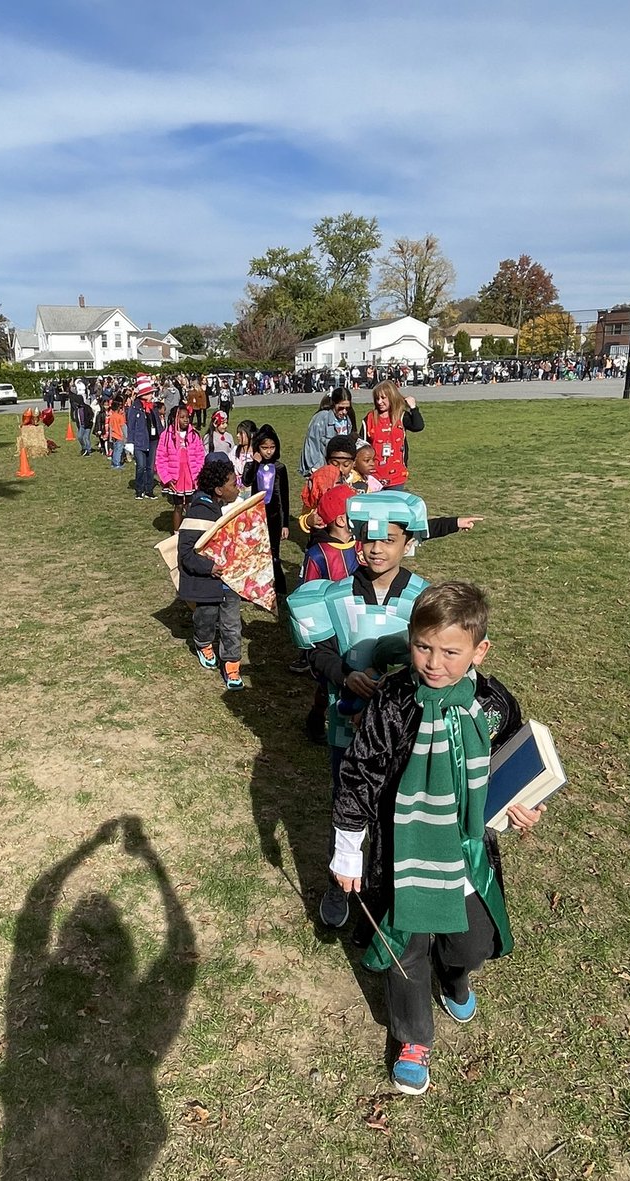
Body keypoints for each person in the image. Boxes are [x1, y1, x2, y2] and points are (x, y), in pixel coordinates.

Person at [330, 581, 545, 1096]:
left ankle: (455, 974)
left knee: (472, 941)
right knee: (409, 942)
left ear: (478, 651)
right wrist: (348, 847)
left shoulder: (491, 704)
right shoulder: (393, 702)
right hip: (403, 848)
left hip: (465, 849)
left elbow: (512, 758)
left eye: (451, 652)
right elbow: (358, 774)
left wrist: (524, 801)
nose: (434, 662)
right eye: (423, 647)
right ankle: (412, 1036)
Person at [178, 457, 245, 690]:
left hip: (229, 580)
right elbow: (185, 553)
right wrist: (209, 567)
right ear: (218, 490)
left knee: (232, 625)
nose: (237, 488)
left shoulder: (230, 507)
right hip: (207, 582)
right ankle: (203, 642)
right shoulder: (200, 512)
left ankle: (232, 664)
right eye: (233, 484)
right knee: (206, 618)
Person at [242, 424, 290, 597]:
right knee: (257, 550)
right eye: (264, 448)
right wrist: (255, 463)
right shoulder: (252, 465)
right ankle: (257, 586)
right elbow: (246, 481)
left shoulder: (280, 468)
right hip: (257, 515)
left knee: (274, 552)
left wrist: (285, 524)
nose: (268, 452)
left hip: (275, 515)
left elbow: (284, 497)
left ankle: (279, 587)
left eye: (272, 447)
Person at [359, 381, 425, 489]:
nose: (379, 402)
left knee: (394, 504)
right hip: (373, 477)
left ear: (391, 397)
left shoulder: (401, 416)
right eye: (377, 398)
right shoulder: (370, 418)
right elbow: (362, 445)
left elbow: (418, 426)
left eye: (383, 398)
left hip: (396, 476)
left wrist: (413, 407)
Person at [155, 405, 206, 533]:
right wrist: (166, 478)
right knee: (178, 506)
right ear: (174, 418)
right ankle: (177, 533)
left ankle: (190, 531)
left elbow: (200, 455)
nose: (186, 420)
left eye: (187, 417)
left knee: (190, 505)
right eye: (182, 417)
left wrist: (198, 473)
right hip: (175, 477)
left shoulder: (194, 435)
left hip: (191, 476)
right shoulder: (166, 436)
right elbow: (161, 458)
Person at [299, 485, 359, 583]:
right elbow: (307, 592)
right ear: (341, 520)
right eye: (356, 511)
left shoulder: (363, 544)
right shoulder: (317, 554)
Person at [299, 387, 357, 477]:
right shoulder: (321, 418)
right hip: (322, 470)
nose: (344, 412)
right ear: (333, 404)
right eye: (341, 408)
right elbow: (312, 446)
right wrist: (318, 471)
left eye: (347, 408)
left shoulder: (347, 420)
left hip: (341, 471)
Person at [125, 375, 165, 499]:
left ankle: (148, 490)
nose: (152, 395)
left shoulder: (152, 408)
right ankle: (139, 489)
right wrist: (130, 442)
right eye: (150, 393)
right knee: (141, 466)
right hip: (139, 441)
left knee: (150, 467)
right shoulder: (134, 408)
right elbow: (130, 426)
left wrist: (163, 436)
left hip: (153, 440)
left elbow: (158, 424)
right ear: (144, 394)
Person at [106, 398, 126, 469]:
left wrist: (110, 437)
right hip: (119, 436)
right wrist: (126, 436)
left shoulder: (112, 416)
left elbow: (110, 427)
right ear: (118, 408)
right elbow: (123, 427)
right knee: (119, 451)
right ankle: (117, 464)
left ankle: (114, 463)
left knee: (115, 450)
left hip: (114, 435)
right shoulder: (120, 417)